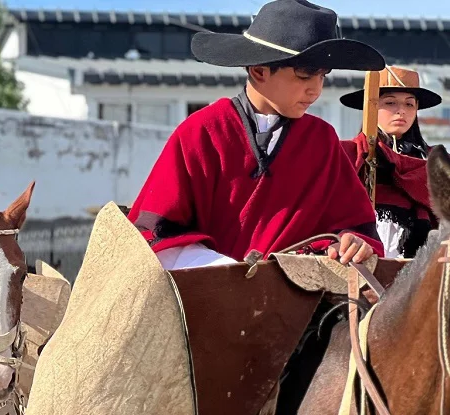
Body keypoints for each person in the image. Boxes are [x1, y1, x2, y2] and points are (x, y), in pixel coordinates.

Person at [127, 0, 385, 270]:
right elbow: (156, 235)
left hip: (300, 301)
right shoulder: (201, 132)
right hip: (205, 297)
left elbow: (356, 226)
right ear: (259, 70)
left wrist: (349, 243)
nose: (315, 90)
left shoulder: (322, 139)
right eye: (304, 75)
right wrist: (229, 274)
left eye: (322, 76)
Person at [340, 66, 442, 258]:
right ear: (371, 106)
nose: (401, 111)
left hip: (421, 261)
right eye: (390, 102)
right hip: (361, 253)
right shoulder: (351, 155)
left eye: (409, 104)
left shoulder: (435, 162)